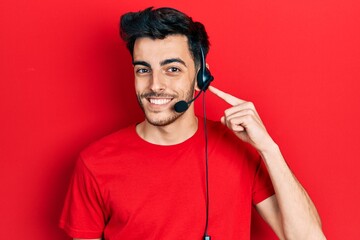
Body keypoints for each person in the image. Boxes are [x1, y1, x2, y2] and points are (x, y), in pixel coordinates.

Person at [59, 7, 326, 240]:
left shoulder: (239, 149)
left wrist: (269, 148)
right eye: (143, 69)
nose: (155, 85)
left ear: (201, 75)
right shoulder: (95, 163)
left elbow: (309, 237)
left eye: (172, 69)